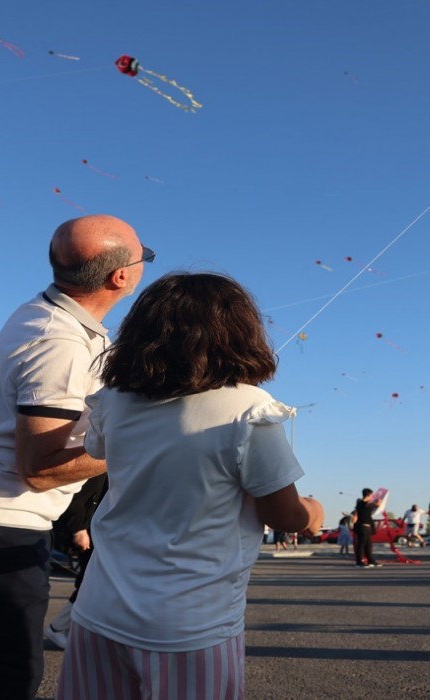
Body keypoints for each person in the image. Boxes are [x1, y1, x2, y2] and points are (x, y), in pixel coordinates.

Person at [58, 272, 323, 699]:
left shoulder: (113, 402)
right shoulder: (248, 407)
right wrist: (314, 509)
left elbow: (99, 448)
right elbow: (283, 515)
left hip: (98, 610)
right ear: (238, 332)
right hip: (190, 624)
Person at [0, 215, 148, 697]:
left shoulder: (60, 320)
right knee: (4, 681)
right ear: (120, 276)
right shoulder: (58, 341)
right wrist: (142, 447)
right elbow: (41, 469)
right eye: (143, 255)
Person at [44, 472, 107, 651]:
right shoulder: (99, 461)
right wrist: (78, 528)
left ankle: (63, 628)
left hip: (98, 530)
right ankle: (57, 627)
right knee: (91, 583)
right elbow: (79, 495)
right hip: (89, 531)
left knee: (94, 583)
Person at [352, 488, 379, 567]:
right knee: (361, 544)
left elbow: (371, 507)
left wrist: (376, 504)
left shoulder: (368, 504)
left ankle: (370, 560)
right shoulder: (361, 503)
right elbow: (366, 505)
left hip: (368, 527)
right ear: (368, 495)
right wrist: (375, 503)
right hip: (361, 527)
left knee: (368, 545)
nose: (372, 497)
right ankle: (359, 561)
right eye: (372, 495)